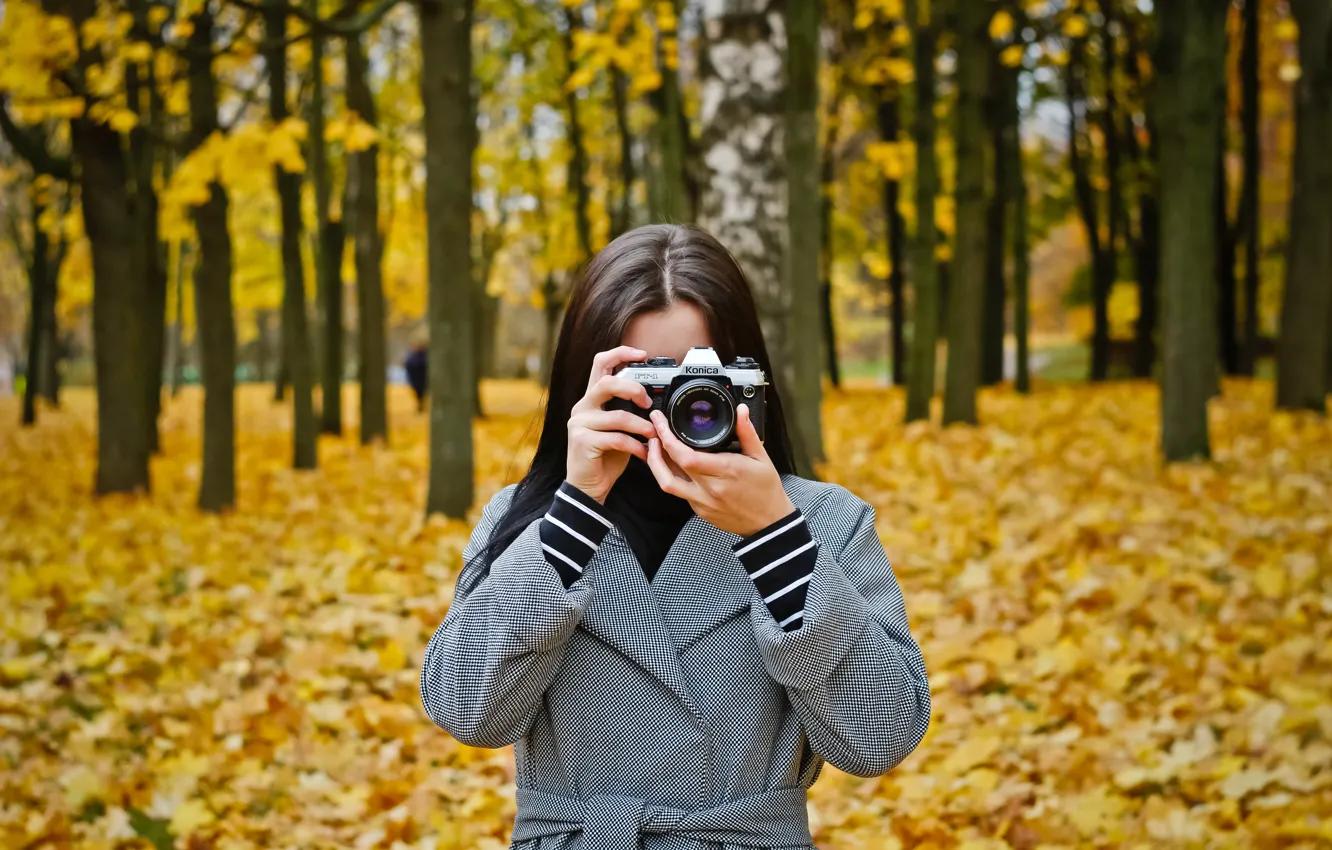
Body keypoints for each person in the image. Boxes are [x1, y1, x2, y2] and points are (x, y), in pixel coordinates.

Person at [419, 224, 930, 850]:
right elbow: (466, 709)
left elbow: (882, 736)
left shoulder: (821, 522)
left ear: (750, 382)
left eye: (701, 380)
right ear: (588, 381)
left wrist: (776, 540)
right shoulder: (531, 522)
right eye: (648, 381)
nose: (678, 409)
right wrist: (574, 512)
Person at [404, 339, 428, 412]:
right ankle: (420, 405)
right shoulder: (412, 356)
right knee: (417, 393)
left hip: (422, 378)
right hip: (415, 378)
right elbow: (408, 365)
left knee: (422, 393)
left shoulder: (424, 355)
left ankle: (421, 405)